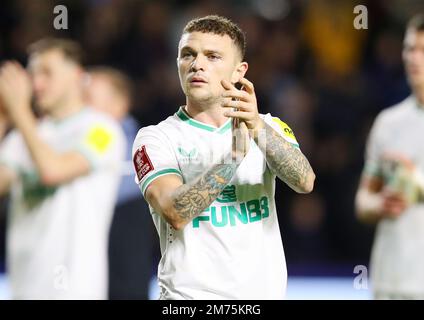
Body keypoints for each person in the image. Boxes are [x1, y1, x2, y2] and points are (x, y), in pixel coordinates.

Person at [132, 15, 315, 300]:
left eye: (213, 56)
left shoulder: (268, 127)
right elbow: (175, 213)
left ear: (238, 72)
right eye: (187, 55)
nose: (197, 64)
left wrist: (256, 128)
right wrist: (233, 158)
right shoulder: (156, 138)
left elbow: (305, 181)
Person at [0, 38, 125, 299]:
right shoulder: (21, 136)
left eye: (47, 73)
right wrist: (2, 118)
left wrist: (20, 111)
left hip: (74, 290)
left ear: (77, 76)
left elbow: (53, 171)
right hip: (23, 289)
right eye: (32, 74)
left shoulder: (102, 130)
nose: (36, 84)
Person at [355, 14, 424, 300]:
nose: (414, 58)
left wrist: (413, 181)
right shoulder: (388, 122)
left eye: (423, 50)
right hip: (390, 279)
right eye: (410, 48)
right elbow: (362, 201)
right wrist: (380, 204)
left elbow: (414, 182)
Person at [84, 67, 153, 299]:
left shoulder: (129, 140)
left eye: (89, 99)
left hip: (123, 218)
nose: (82, 107)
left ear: (120, 105)